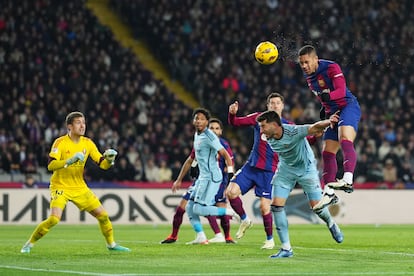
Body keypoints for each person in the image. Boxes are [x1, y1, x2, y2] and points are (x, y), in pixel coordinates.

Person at [20, 111, 130, 253]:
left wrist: (109, 159)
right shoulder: (60, 142)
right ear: (69, 126)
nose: (82, 126)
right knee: (54, 219)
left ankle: (111, 245)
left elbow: (102, 164)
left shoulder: (88, 143)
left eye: (84, 123)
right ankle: (29, 244)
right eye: (78, 122)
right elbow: (50, 165)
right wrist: (70, 160)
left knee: (103, 216)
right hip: (60, 186)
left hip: (79, 187)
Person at [256, 110, 344, 258]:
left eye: (263, 126)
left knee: (317, 207)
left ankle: (331, 223)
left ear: (274, 125)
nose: (261, 130)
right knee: (276, 206)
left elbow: (314, 127)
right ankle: (286, 249)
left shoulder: (293, 131)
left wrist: (330, 121)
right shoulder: (267, 136)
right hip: (285, 170)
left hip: (306, 169)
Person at [227, 92, 297, 249]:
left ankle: (270, 239)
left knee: (264, 207)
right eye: (271, 103)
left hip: (269, 171)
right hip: (251, 167)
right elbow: (236, 122)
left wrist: (318, 133)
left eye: (277, 103)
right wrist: (232, 115)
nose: (274, 105)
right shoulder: (259, 118)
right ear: (267, 106)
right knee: (230, 193)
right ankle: (245, 219)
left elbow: (305, 138)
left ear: (282, 106)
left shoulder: (288, 126)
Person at [298, 45, 361, 206]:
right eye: (301, 64)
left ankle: (348, 179)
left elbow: (340, 91)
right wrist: (325, 111)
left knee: (345, 137)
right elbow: (323, 98)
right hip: (333, 113)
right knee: (327, 151)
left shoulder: (331, 67)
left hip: (348, 106)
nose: (304, 66)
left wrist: (328, 97)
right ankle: (329, 192)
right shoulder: (309, 78)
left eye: (306, 62)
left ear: (315, 59)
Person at [161, 117, 236, 244]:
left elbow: (229, 162)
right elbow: (191, 159)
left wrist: (227, 183)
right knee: (183, 208)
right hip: (201, 180)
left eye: (216, 128)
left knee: (210, 209)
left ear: (221, 132)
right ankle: (174, 236)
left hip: (216, 181)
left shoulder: (223, 145)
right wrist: (179, 179)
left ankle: (226, 237)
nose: (213, 130)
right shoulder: (201, 140)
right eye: (211, 128)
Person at [185, 108, 237, 245]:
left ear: (206, 122)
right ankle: (201, 236)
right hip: (203, 177)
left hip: (211, 177)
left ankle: (229, 212)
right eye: (196, 118)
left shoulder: (210, 136)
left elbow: (226, 154)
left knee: (198, 208)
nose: (198, 121)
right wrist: (194, 166)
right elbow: (198, 154)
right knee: (189, 207)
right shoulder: (197, 135)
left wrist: (230, 172)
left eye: (202, 119)